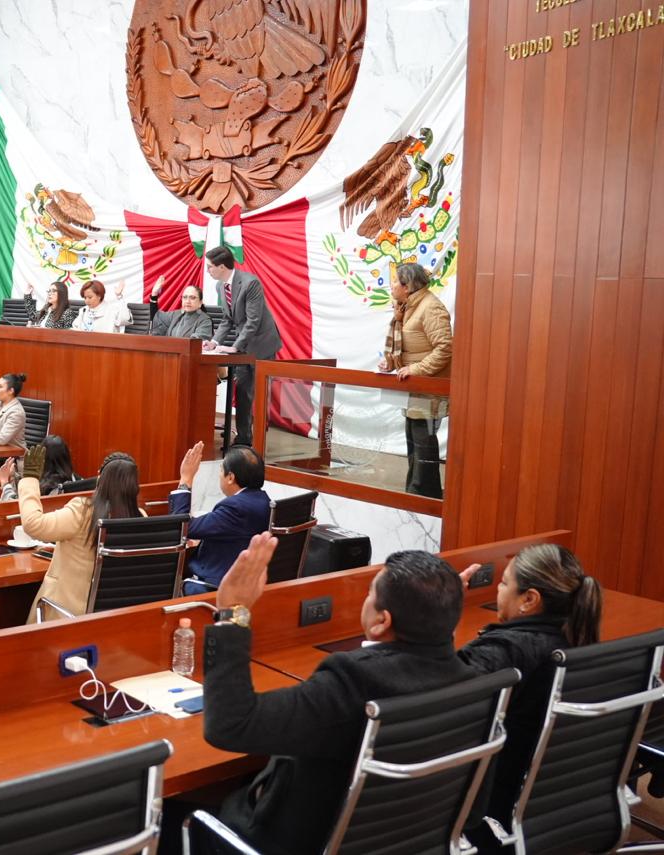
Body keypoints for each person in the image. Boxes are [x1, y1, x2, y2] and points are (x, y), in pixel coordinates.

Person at [201, 538, 476, 855]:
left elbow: (231, 724)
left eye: (369, 594)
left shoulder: (352, 681)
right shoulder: (472, 681)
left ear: (381, 621)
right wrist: (439, 615)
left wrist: (232, 613)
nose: (365, 600)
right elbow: (474, 807)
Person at [455, 544, 602, 852]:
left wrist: (438, 617)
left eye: (504, 583)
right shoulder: (576, 639)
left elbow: (436, 695)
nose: (498, 589)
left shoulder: (506, 651)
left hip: (490, 809)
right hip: (554, 805)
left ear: (529, 600)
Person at [19, 448, 141, 622]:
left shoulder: (83, 512)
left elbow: (33, 524)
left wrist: (29, 479)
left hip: (66, 617)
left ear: (99, 478)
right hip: (116, 618)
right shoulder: (141, 519)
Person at [379, 262, 452, 499]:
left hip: (428, 387)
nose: (391, 285)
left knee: (423, 443)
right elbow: (407, 347)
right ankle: (418, 493)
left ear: (407, 286)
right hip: (414, 389)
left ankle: (423, 495)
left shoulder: (431, 307)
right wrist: (391, 363)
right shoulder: (406, 307)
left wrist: (416, 369)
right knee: (415, 441)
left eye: (395, 281)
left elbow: (445, 348)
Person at [203, 246, 283, 446]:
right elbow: (227, 320)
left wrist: (235, 346)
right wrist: (214, 342)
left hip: (262, 345)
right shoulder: (220, 286)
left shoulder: (250, 283)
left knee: (259, 394)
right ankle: (244, 438)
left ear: (222, 267)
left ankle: (260, 441)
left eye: (210, 266)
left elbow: (253, 321)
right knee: (242, 392)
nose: (208, 270)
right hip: (244, 347)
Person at [169, 441, 270, 595]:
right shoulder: (264, 500)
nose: (219, 475)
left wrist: (186, 479)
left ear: (230, 477)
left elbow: (182, 527)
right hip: (247, 581)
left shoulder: (236, 507)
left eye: (221, 470)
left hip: (216, 588)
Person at [0, 435, 79, 500]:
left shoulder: (43, 489)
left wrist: (5, 483)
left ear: (42, 459)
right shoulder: (77, 481)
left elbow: (16, 507)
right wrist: (14, 478)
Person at [148, 276, 213, 340]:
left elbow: (195, 343)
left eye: (192, 298)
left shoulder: (205, 320)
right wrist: (154, 294)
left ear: (200, 302)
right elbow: (156, 318)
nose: (187, 301)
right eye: (185, 297)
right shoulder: (175, 315)